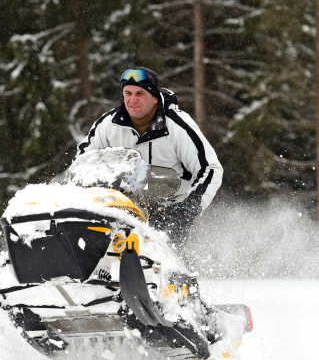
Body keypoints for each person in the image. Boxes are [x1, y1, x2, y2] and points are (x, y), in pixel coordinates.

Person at [77, 67, 223, 246]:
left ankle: (173, 271)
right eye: (127, 93)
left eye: (140, 94)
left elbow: (211, 168)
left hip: (170, 209)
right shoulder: (108, 124)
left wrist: (190, 207)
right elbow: (83, 162)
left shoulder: (177, 126)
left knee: (161, 254)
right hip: (121, 205)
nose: (132, 100)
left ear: (154, 98)